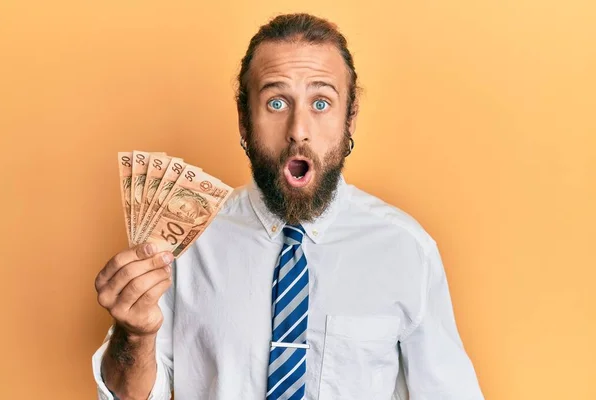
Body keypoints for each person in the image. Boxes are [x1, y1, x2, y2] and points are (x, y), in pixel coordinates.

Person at [92, 13, 484, 400]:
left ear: (350, 119)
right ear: (244, 120)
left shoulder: (406, 249)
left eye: (321, 103)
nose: (299, 129)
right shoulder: (183, 243)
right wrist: (135, 335)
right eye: (277, 103)